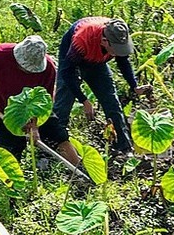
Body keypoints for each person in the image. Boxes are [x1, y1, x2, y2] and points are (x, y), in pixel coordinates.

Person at [48, 16, 142, 163]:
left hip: (97, 63)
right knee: (63, 106)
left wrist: (134, 85)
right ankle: (53, 148)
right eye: (115, 50)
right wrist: (84, 100)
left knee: (112, 103)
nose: (117, 53)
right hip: (72, 60)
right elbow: (67, 72)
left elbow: (123, 60)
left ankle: (124, 148)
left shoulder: (117, 33)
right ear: (105, 41)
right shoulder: (82, 40)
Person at [0, 35, 56, 162]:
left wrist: (34, 126)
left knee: (52, 139)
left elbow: (43, 101)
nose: (28, 72)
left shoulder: (48, 69)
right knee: (9, 151)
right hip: (2, 110)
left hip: (29, 111)